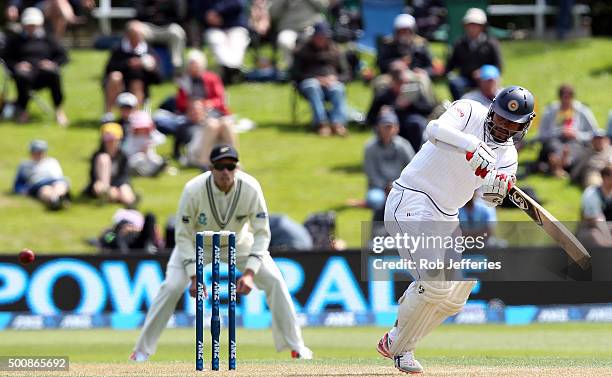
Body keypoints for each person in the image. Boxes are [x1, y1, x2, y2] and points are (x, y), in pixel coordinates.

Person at [377, 86, 536, 373]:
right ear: (491, 111)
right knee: (435, 283)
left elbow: (490, 197)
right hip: (412, 197)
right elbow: (434, 129)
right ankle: (401, 346)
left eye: (514, 124)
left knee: (453, 298)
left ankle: (397, 342)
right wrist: (471, 146)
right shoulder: (469, 111)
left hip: (447, 216)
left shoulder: (509, 156)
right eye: (501, 119)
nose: (505, 128)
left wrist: (497, 188)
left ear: (525, 125)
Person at [130, 144, 312, 361]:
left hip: (240, 243)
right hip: (199, 243)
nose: (225, 171)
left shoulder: (251, 187)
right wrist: (194, 275)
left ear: (237, 167)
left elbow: (262, 233)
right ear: (211, 168)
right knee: (171, 286)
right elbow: (183, 234)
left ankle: (296, 347)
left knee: (274, 279)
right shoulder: (194, 189)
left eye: (230, 166)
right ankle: (141, 350)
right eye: (220, 166)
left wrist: (250, 273)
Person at [3, 7, 69, 125]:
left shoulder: (49, 38)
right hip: (24, 75)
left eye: (33, 24)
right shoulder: (15, 40)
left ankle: (59, 110)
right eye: (28, 24)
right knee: (22, 75)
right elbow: (6, 58)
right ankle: (23, 111)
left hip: (43, 74)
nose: (31, 27)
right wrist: (17, 65)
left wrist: (52, 64)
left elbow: (63, 56)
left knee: (54, 74)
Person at [292, 22, 349, 136]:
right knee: (312, 85)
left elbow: (347, 74)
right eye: (319, 36)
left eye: (324, 36)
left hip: (331, 84)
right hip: (309, 84)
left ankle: (337, 123)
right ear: (313, 36)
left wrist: (335, 78)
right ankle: (321, 123)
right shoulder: (302, 51)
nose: (321, 39)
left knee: (338, 88)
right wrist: (317, 79)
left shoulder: (336, 50)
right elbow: (295, 74)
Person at [366, 60, 435, 152]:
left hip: (412, 124)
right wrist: (382, 112)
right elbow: (370, 118)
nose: (402, 85)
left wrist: (412, 103)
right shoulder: (383, 95)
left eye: (403, 82)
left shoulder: (413, 90)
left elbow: (428, 109)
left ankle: (418, 155)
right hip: (393, 125)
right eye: (398, 83)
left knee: (416, 123)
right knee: (388, 125)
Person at [102, 20, 162, 117]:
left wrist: (151, 68)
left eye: (139, 35)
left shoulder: (149, 52)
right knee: (115, 77)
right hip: (119, 86)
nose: (137, 39)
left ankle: (135, 117)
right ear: (128, 36)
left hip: (140, 88)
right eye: (134, 36)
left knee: (137, 83)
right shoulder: (118, 50)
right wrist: (128, 64)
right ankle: (108, 115)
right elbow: (109, 70)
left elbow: (158, 80)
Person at [537, 84, 599, 178]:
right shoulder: (550, 110)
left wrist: (577, 134)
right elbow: (541, 134)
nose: (566, 100)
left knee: (572, 148)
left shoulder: (582, 110)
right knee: (554, 145)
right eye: (563, 97)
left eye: (569, 97)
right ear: (559, 97)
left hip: (575, 141)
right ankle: (559, 163)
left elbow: (594, 133)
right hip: (554, 140)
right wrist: (558, 132)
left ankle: (559, 164)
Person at [363, 110, 414, 214]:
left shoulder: (403, 145)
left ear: (397, 128)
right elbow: (370, 172)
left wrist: (397, 185)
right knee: (374, 200)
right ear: (378, 127)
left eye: (391, 126)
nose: (388, 130)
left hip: (401, 187)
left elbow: (413, 168)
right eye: (385, 126)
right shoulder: (370, 147)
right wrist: (385, 186)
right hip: (378, 188)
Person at [445, 8, 502, 100]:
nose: (472, 28)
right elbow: (451, 65)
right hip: (466, 78)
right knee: (455, 83)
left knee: (490, 84)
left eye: (476, 25)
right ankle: (461, 109)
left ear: (482, 27)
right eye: (470, 25)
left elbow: (498, 66)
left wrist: (483, 72)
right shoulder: (459, 43)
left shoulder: (491, 43)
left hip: (486, 78)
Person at [83, 123, 137, 206]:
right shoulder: (98, 155)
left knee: (125, 189)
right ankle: (111, 195)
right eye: (107, 140)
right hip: (102, 185)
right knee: (99, 186)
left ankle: (130, 203)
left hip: (118, 185)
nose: (110, 143)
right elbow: (93, 176)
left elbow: (124, 176)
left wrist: (115, 187)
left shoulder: (123, 156)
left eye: (113, 139)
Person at [199, 0, 250, 84]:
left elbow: (239, 3)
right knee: (216, 40)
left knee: (237, 42)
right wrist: (207, 16)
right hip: (213, 28)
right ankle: (232, 70)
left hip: (235, 26)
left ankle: (230, 70)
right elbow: (196, 8)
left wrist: (217, 11)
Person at [267, 0, 329, 68]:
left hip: (311, 26)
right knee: (284, 41)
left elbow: (324, 6)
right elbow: (272, 14)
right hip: (289, 28)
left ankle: (316, 67)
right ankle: (291, 69)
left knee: (317, 39)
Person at [13, 139, 70, 210]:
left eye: (40, 152)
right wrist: (22, 190)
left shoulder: (52, 161)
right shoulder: (25, 165)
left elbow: (59, 177)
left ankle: (59, 197)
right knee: (45, 189)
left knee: (59, 185)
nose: (38, 154)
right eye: (36, 152)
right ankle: (55, 200)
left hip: (55, 181)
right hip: (38, 184)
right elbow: (19, 183)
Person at [135, 0, 187, 73]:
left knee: (177, 32)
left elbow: (180, 16)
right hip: (149, 27)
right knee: (137, 31)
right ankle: (141, 63)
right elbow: (139, 14)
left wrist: (159, 8)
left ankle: (177, 66)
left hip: (168, 27)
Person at [122, 111, 167, 177]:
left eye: (144, 127)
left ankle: (156, 168)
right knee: (139, 158)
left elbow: (162, 138)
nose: (142, 130)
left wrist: (151, 143)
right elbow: (126, 149)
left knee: (153, 158)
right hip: (135, 158)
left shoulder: (150, 135)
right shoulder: (131, 138)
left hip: (148, 157)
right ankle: (143, 173)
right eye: (140, 128)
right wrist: (140, 150)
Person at [577, 165, 612, 247]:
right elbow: (596, 220)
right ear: (606, 178)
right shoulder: (591, 194)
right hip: (590, 230)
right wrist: (609, 239)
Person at [98, 209, 162, 254]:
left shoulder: (140, 230)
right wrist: (117, 232)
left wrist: (134, 229)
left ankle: (148, 248)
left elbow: (153, 232)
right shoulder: (114, 232)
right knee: (117, 236)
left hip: (139, 242)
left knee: (150, 216)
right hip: (124, 245)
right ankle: (126, 256)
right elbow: (106, 240)